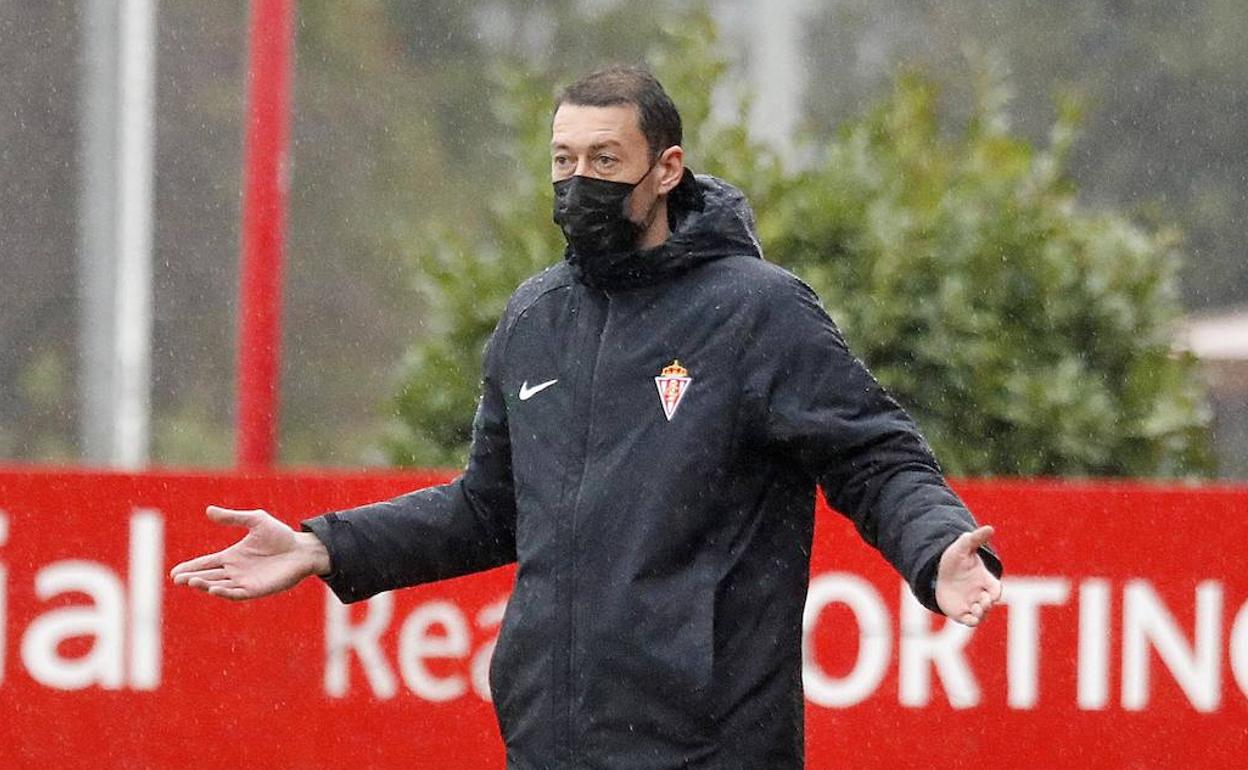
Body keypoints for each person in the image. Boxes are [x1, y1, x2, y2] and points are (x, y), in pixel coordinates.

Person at [171, 64, 1003, 769]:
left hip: (708, 745)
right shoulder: (535, 319)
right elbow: (488, 510)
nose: (580, 184)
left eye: (607, 160)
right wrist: (327, 544)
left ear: (667, 168)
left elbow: (875, 457)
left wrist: (935, 550)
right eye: (564, 161)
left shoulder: (759, 312)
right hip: (549, 739)